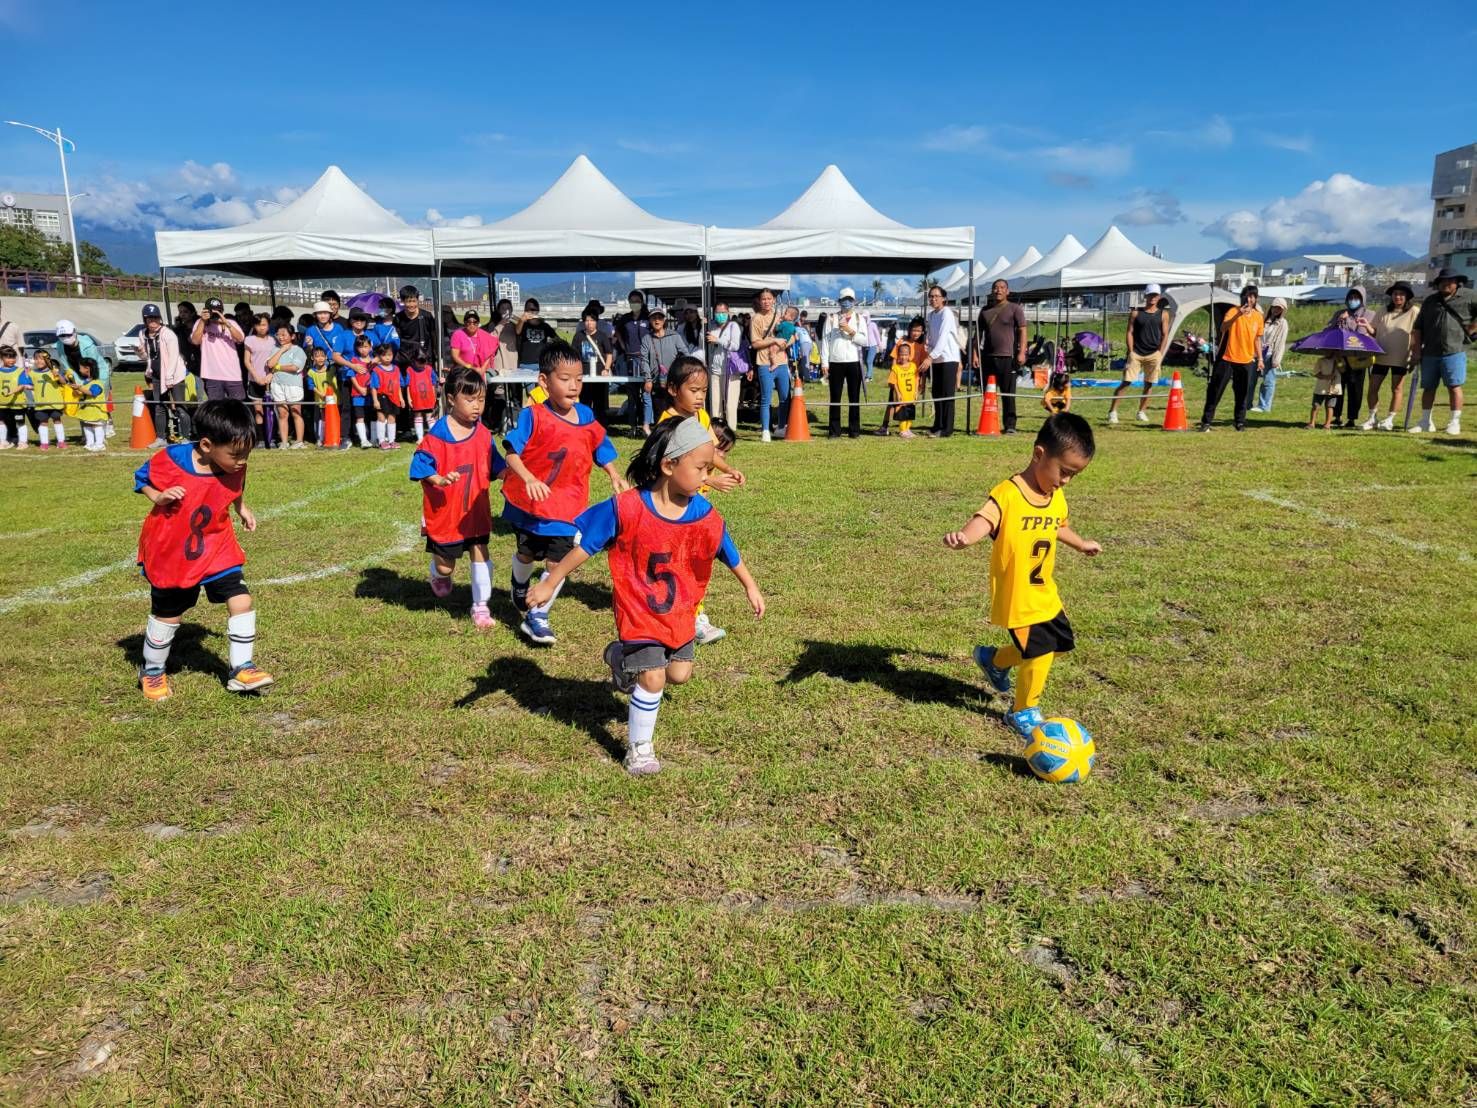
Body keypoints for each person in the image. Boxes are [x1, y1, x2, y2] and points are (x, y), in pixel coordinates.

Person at [526, 418, 766, 775]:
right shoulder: (627, 507)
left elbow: (723, 545)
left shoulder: (700, 510)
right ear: (669, 465)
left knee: (679, 674)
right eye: (700, 468)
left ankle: (619, 657)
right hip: (638, 609)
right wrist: (549, 582)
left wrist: (749, 584)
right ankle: (639, 749)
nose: (705, 477)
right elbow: (585, 547)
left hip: (678, 612)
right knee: (653, 678)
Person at [943, 412, 1101, 738]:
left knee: (1058, 644)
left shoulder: (1055, 495)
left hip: (1045, 592)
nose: (1066, 480)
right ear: (1040, 454)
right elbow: (985, 518)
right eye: (1065, 471)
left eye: (1075, 475)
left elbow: (1058, 526)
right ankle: (1022, 711)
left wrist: (1081, 543)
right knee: (1040, 652)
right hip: (1018, 596)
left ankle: (995, 660)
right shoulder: (1009, 493)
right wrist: (965, 537)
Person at [132, 399, 273, 700]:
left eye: (247, 454)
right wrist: (158, 496)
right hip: (173, 551)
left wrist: (241, 506)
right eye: (236, 455)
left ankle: (241, 668)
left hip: (216, 545)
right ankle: (153, 671)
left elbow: (236, 483)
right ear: (207, 445)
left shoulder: (234, 464)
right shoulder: (169, 460)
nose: (242, 461)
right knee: (168, 615)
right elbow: (141, 478)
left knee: (241, 599)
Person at [501, 341, 628, 645]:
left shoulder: (585, 416)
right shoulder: (533, 416)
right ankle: (519, 583)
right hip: (531, 503)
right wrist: (529, 478)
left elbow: (600, 447)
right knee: (526, 553)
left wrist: (613, 474)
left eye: (579, 379)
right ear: (544, 381)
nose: (574, 386)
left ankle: (538, 616)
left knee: (558, 563)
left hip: (568, 506)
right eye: (565, 379)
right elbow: (511, 453)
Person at [408, 366, 504, 629]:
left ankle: (481, 606)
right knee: (446, 568)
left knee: (481, 551)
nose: (477, 406)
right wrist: (437, 478)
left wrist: (514, 473)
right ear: (451, 399)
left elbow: (496, 465)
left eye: (481, 399)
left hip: (475, 510)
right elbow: (419, 464)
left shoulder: (484, 434)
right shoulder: (438, 435)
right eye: (470, 399)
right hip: (446, 514)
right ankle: (436, 573)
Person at [1409, 267, 1475, 436]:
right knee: (1428, 388)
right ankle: (1425, 421)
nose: (1446, 283)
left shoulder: (1469, 296)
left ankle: (1454, 422)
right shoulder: (1430, 301)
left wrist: (1473, 329)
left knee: (1454, 386)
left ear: (1457, 282)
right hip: (1430, 351)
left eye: (1450, 280)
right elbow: (1418, 328)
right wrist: (1416, 351)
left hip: (1455, 350)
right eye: (1442, 281)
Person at [1199, 285, 1263, 432]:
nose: (1250, 299)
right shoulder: (1233, 311)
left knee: (1242, 394)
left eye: (1253, 296)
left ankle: (1239, 422)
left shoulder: (1258, 317)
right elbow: (1223, 328)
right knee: (1215, 390)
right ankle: (1206, 422)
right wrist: (1237, 315)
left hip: (1246, 359)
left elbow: (1257, 339)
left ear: (1256, 299)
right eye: (1247, 296)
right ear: (1242, 297)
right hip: (1227, 357)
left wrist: (1259, 359)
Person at [1108, 285, 1170, 424]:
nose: (1153, 297)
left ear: (1159, 297)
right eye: (1150, 295)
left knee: (1149, 385)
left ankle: (1141, 412)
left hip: (1154, 353)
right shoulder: (1136, 313)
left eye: (1155, 295)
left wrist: (1160, 352)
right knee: (1126, 382)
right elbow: (1129, 332)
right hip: (1136, 353)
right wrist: (1131, 351)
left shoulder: (1163, 314)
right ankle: (1113, 412)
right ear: (1145, 296)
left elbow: (1165, 334)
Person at [1363, 282, 1419, 430]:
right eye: (1395, 294)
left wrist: (1415, 354)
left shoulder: (1414, 311)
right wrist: (1366, 326)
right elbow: (1375, 331)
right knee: (1373, 387)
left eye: (1401, 294)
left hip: (1401, 358)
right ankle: (1372, 417)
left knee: (1397, 389)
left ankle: (1390, 418)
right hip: (1381, 355)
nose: (1397, 297)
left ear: (1407, 296)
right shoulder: (1383, 310)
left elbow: (1417, 334)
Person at [978, 279, 1027, 434]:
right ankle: (989, 422)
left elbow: (1023, 330)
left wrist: (1022, 352)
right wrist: (974, 353)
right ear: (991, 291)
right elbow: (978, 334)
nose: (998, 290)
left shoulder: (1015, 308)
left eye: (1001, 288)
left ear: (1008, 291)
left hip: (1008, 357)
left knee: (1008, 394)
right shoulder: (984, 310)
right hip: (988, 357)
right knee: (987, 392)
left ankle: (1010, 425)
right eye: (995, 288)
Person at [820, 287, 869, 438]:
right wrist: (824, 363)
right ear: (839, 301)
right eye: (844, 300)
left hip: (853, 361)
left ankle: (854, 430)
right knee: (835, 397)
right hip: (835, 361)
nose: (847, 302)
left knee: (854, 397)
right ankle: (834, 431)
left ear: (854, 301)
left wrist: (850, 331)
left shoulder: (860, 319)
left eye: (850, 299)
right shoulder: (831, 318)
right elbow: (825, 341)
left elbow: (865, 340)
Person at [139, 303, 189, 446]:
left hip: (174, 375)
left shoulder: (168, 334)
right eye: (149, 319)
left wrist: (170, 376)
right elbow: (145, 356)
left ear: (160, 318)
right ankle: (161, 437)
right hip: (156, 374)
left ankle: (185, 436)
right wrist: (139, 351)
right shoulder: (143, 334)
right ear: (145, 320)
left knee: (180, 406)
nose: (152, 322)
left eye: (155, 318)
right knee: (159, 406)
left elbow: (173, 357)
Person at [1328, 286, 1376, 427]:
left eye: (1356, 297)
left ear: (1362, 299)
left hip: (1359, 358)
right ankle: (1336, 416)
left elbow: (1365, 334)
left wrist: (1354, 323)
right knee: (1337, 387)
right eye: (1350, 297)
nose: (1353, 300)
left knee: (1356, 388)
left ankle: (1352, 418)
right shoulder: (1340, 313)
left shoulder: (1369, 314)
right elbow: (1329, 331)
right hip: (1340, 357)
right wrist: (1340, 321)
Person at [918, 285, 962, 436]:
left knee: (947, 394)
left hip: (948, 358)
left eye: (936, 296)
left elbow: (943, 338)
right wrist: (927, 347)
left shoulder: (947, 313)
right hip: (936, 359)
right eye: (931, 296)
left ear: (944, 298)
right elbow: (931, 336)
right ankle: (938, 424)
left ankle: (947, 428)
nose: (933, 299)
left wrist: (931, 356)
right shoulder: (931, 315)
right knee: (936, 392)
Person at [748, 288, 791, 442]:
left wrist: (783, 344)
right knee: (766, 398)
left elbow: (791, 336)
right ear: (759, 301)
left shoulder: (780, 317)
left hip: (782, 362)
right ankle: (766, 430)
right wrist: (774, 340)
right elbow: (755, 343)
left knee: (785, 397)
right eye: (763, 299)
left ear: (774, 300)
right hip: (764, 362)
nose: (766, 301)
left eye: (769, 298)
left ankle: (781, 427)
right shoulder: (756, 319)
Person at [450, 309, 500, 429]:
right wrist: (469, 367)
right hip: (463, 373)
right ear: (464, 323)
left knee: (478, 398)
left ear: (478, 323)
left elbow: (490, 352)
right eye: (468, 322)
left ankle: (478, 425)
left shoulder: (483, 335)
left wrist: (482, 369)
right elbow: (455, 355)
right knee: (466, 398)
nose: (472, 324)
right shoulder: (458, 334)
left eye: (475, 322)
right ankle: (461, 423)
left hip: (479, 373)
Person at [192, 297, 247, 401]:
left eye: (219, 311)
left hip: (232, 374)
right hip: (212, 374)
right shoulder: (200, 323)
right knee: (216, 409)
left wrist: (227, 324)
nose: (216, 314)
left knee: (237, 407)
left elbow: (240, 339)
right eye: (212, 311)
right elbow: (195, 341)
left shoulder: (230, 323)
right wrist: (203, 321)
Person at [877, 316, 925, 438]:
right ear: (909, 330)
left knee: (909, 404)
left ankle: (906, 428)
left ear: (922, 332)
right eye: (914, 330)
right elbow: (894, 359)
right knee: (892, 403)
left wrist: (921, 383)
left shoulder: (921, 346)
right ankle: (885, 426)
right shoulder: (902, 342)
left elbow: (921, 367)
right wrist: (893, 378)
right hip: (899, 379)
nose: (916, 333)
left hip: (911, 380)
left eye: (919, 331)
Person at [641, 309, 687, 432]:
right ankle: (661, 436)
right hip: (656, 382)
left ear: (664, 320)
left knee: (674, 410)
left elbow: (685, 354)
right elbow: (644, 360)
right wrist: (648, 379)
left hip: (673, 382)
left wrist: (679, 369)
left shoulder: (674, 336)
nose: (657, 320)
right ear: (650, 321)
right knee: (659, 412)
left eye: (660, 318)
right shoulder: (647, 339)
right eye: (653, 318)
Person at [264, 322, 306, 448]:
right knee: (282, 413)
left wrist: (278, 367)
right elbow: (270, 364)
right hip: (277, 385)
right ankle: (284, 442)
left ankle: (299, 441)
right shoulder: (275, 349)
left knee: (296, 411)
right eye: (278, 335)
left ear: (292, 336)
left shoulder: (298, 350)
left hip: (293, 385)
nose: (281, 337)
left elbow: (294, 367)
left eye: (284, 334)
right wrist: (282, 350)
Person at [705, 300, 743, 426]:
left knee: (730, 403)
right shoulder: (711, 326)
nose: (720, 315)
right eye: (718, 312)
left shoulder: (733, 326)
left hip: (730, 371)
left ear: (728, 312)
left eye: (723, 312)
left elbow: (735, 346)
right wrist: (702, 325)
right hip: (714, 370)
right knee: (715, 403)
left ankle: (731, 429)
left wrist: (718, 340)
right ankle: (716, 428)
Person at [574, 309, 615, 420]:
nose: (589, 323)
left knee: (600, 405)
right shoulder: (578, 336)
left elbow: (609, 354)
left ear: (596, 322)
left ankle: (600, 426)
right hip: (584, 376)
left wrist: (606, 369)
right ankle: (584, 425)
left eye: (592, 320)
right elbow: (574, 356)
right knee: (584, 403)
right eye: (586, 320)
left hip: (600, 376)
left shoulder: (602, 336)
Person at [243, 313, 277, 446]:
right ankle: (261, 439)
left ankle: (272, 438)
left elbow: (277, 359)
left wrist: (271, 374)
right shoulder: (249, 340)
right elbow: (247, 361)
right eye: (258, 325)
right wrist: (256, 376)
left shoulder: (274, 340)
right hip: (254, 380)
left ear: (268, 325)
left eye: (264, 324)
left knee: (272, 410)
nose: (261, 328)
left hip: (271, 380)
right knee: (259, 411)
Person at [26, 348, 69, 450]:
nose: (39, 361)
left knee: (57, 421)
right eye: (36, 359)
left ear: (48, 360)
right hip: (41, 404)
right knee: (43, 422)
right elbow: (33, 385)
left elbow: (63, 382)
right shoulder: (32, 373)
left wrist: (57, 375)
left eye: (42, 358)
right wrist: (29, 386)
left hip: (55, 403)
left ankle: (61, 441)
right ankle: (44, 443)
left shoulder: (54, 371)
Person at [1252, 298, 1289, 414]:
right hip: (1257, 353)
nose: (1277, 310)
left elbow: (1281, 342)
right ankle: (1247, 404)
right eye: (1275, 307)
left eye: (1280, 308)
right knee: (1251, 380)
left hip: (1270, 355)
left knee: (1268, 381)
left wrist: (1276, 359)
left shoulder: (1283, 323)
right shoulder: (1264, 320)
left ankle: (1264, 406)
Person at [393, 285, 438, 369]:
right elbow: (397, 339)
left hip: (425, 358)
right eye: (408, 301)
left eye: (414, 301)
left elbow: (434, 337)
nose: (411, 305)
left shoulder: (427, 316)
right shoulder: (398, 318)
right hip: (406, 359)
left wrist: (437, 355)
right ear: (402, 301)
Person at [370, 343, 404, 450]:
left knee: (392, 418)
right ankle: (381, 441)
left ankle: (391, 440)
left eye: (390, 354)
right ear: (379, 356)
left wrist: (401, 398)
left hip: (394, 397)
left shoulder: (396, 369)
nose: (388, 357)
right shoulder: (376, 370)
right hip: (382, 396)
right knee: (381, 417)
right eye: (384, 355)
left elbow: (398, 385)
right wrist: (375, 400)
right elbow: (373, 387)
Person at [346, 334, 376, 448]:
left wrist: (369, 390)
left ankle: (374, 439)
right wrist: (359, 388)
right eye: (361, 347)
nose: (363, 349)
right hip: (358, 395)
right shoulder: (354, 361)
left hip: (371, 394)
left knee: (373, 416)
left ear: (370, 347)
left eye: (366, 346)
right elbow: (351, 376)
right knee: (360, 417)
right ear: (357, 348)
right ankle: (363, 440)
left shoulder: (373, 362)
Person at [75, 358, 109, 452]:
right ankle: (89, 443)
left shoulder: (97, 383)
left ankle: (99, 444)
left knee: (97, 426)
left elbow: (92, 393)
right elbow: (83, 394)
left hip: (96, 410)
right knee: (87, 425)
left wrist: (80, 388)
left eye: (80, 367)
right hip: (87, 411)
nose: (79, 369)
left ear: (87, 368)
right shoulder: (85, 382)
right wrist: (76, 390)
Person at [515, 298, 559, 371]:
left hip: (542, 364)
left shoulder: (545, 326)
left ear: (538, 311)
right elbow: (517, 331)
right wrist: (521, 320)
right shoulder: (523, 325)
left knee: (541, 382)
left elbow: (557, 339)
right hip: (525, 364)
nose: (530, 312)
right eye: (527, 310)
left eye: (533, 310)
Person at [404, 352, 438, 442]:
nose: (421, 365)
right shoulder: (410, 370)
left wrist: (434, 396)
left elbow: (433, 383)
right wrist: (408, 398)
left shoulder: (429, 369)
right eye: (419, 362)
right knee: (418, 416)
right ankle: (420, 438)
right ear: (414, 361)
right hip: (416, 398)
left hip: (428, 397)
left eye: (424, 362)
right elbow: (407, 385)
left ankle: (433, 438)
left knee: (430, 417)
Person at [305, 347, 332, 444]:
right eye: (317, 356)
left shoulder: (331, 370)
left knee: (331, 418)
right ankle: (320, 438)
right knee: (321, 419)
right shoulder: (311, 372)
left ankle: (331, 436)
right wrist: (321, 394)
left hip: (332, 400)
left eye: (322, 356)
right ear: (312, 358)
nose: (320, 358)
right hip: (319, 400)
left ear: (326, 357)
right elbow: (311, 386)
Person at [0, 344, 25, 449]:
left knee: (20, 422)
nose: (11, 360)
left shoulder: (20, 371)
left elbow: (22, 385)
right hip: (2, 403)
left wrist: (11, 392)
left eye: (13, 357)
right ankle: (3, 441)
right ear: (2, 358)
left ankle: (23, 442)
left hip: (17, 403)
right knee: (2, 422)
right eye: (8, 357)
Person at [1309, 356, 1341, 430]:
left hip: (1333, 387)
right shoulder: (1320, 360)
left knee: (1330, 406)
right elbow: (1316, 373)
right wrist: (1326, 377)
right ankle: (1312, 423)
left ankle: (1327, 424)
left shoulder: (1339, 361)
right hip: (1320, 387)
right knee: (1315, 405)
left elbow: (1343, 370)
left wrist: (1338, 362)